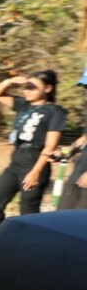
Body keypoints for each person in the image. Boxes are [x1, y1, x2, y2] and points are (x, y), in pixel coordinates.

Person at [0, 70, 66, 239]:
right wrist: (10, 81)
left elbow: (51, 145)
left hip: (35, 161)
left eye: (32, 87)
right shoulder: (23, 105)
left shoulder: (55, 111)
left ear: (48, 88)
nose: (27, 91)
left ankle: (31, 251)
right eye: (26, 87)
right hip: (16, 161)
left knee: (28, 213)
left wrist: (35, 172)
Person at [57, 71, 87, 210]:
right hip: (78, 173)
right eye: (85, 87)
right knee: (62, 217)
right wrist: (66, 153)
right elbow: (84, 139)